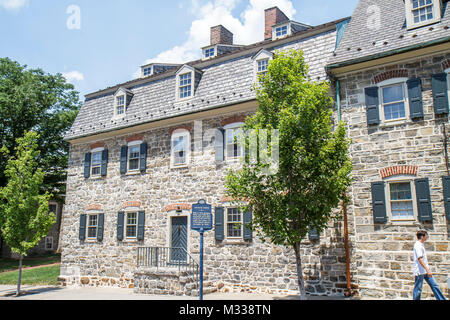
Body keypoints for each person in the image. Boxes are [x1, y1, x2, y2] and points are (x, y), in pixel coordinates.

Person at [412, 230, 446, 300]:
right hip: (419, 271)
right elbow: (420, 259)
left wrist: (427, 270)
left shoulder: (421, 245)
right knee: (418, 289)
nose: (427, 237)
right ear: (422, 236)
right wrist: (428, 270)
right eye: (426, 235)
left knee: (434, 285)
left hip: (425, 271)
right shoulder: (417, 245)